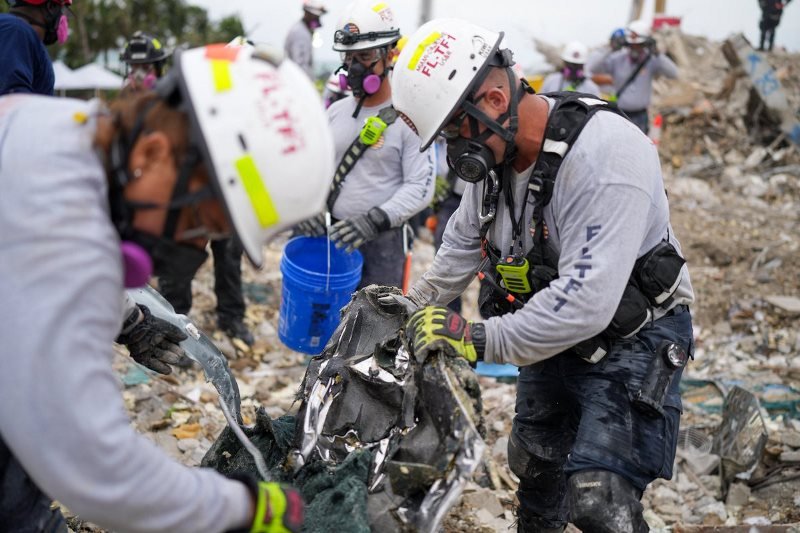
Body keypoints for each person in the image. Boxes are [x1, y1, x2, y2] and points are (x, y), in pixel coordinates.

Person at [0, 43, 334, 531]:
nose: (195, 247)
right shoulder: (68, 244)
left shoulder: (60, 125)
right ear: (156, 152)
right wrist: (247, 507)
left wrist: (130, 320)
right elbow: (97, 473)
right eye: (199, 221)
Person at [390, 18, 694, 533]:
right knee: (535, 468)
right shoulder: (497, 158)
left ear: (490, 100)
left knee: (599, 500)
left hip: (635, 333)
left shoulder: (604, 155)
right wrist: (407, 310)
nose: (453, 152)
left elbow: (588, 301)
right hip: (554, 330)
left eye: (452, 132)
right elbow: (461, 247)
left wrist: (475, 338)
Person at [296, 0, 435, 289]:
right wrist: (309, 208)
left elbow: (421, 186)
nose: (353, 67)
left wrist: (373, 221)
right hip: (332, 236)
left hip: (382, 243)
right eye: (348, 57)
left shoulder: (409, 117)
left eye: (365, 56)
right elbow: (317, 169)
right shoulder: (336, 111)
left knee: (373, 328)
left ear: (390, 53)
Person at [588, 19, 678, 134]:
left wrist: (657, 53)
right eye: (632, 45)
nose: (635, 48)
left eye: (639, 45)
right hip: (619, 114)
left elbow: (673, 73)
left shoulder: (651, 61)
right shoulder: (617, 59)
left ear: (645, 44)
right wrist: (611, 49)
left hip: (640, 116)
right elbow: (593, 69)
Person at [0, 0, 71, 95]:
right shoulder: (15, 31)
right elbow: (13, 100)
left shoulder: (21, 35)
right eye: (62, 10)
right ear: (51, 8)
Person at [284, 0, 327, 78]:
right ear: (307, 14)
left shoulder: (303, 30)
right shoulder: (300, 33)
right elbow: (300, 65)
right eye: (316, 17)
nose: (318, 20)